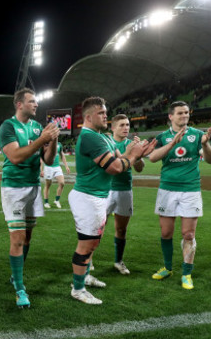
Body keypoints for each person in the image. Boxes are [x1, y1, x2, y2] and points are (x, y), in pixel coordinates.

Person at [68, 98, 154, 304]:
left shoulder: (103, 137)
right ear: (88, 117)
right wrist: (134, 156)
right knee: (86, 245)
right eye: (101, 113)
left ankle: (85, 277)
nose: (105, 115)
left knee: (92, 243)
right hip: (88, 197)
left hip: (97, 196)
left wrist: (136, 153)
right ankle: (77, 288)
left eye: (106, 112)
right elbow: (115, 168)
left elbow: (121, 157)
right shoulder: (90, 138)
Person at [0, 87, 60, 308]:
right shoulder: (8, 126)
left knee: (28, 239)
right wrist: (42, 138)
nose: (36, 105)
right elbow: (14, 157)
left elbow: (50, 161)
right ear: (19, 104)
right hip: (13, 188)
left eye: (36, 102)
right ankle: (20, 289)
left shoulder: (37, 127)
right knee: (17, 239)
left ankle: (17, 274)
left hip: (33, 187)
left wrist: (52, 141)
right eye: (32, 101)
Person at [148, 101, 211, 290]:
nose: (184, 116)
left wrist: (206, 143)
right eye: (180, 113)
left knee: (188, 234)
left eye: (186, 112)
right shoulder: (163, 136)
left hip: (190, 189)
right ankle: (168, 268)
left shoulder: (197, 135)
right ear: (170, 116)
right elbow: (152, 158)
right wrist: (172, 144)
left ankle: (187, 273)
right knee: (166, 233)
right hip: (167, 189)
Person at [107, 114, 146, 276]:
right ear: (113, 127)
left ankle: (118, 261)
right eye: (122, 125)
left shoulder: (131, 144)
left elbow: (139, 168)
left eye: (128, 125)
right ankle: (89, 259)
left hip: (125, 190)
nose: (126, 128)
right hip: (106, 190)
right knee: (97, 227)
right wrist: (129, 153)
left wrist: (138, 154)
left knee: (121, 229)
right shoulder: (107, 143)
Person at [40, 141, 70, 209]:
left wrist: (66, 166)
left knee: (62, 183)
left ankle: (57, 200)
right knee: (48, 185)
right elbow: (41, 158)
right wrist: (41, 170)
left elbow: (62, 155)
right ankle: (46, 202)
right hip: (48, 167)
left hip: (57, 167)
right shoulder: (45, 144)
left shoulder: (59, 144)